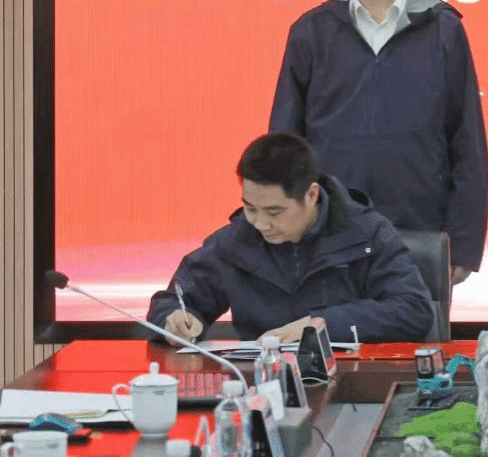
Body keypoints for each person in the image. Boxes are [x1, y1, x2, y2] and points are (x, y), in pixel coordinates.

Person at [269, 0, 488, 285]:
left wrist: (465, 243)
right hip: (329, 229)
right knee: (329, 325)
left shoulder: (443, 29)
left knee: (415, 324)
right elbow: (285, 141)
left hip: (421, 228)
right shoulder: (311, 32)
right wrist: (283, 225)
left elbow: (466, 140)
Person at [147, 133, 434, 344]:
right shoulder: (235, 242)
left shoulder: (367, 233)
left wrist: (319, 325)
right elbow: (172, 302)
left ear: (311, 195)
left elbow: (413, 311)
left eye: (274, 212)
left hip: (354, 384)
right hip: (262, 387)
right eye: (250, 208)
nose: (260, 223)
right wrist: (175, 320)